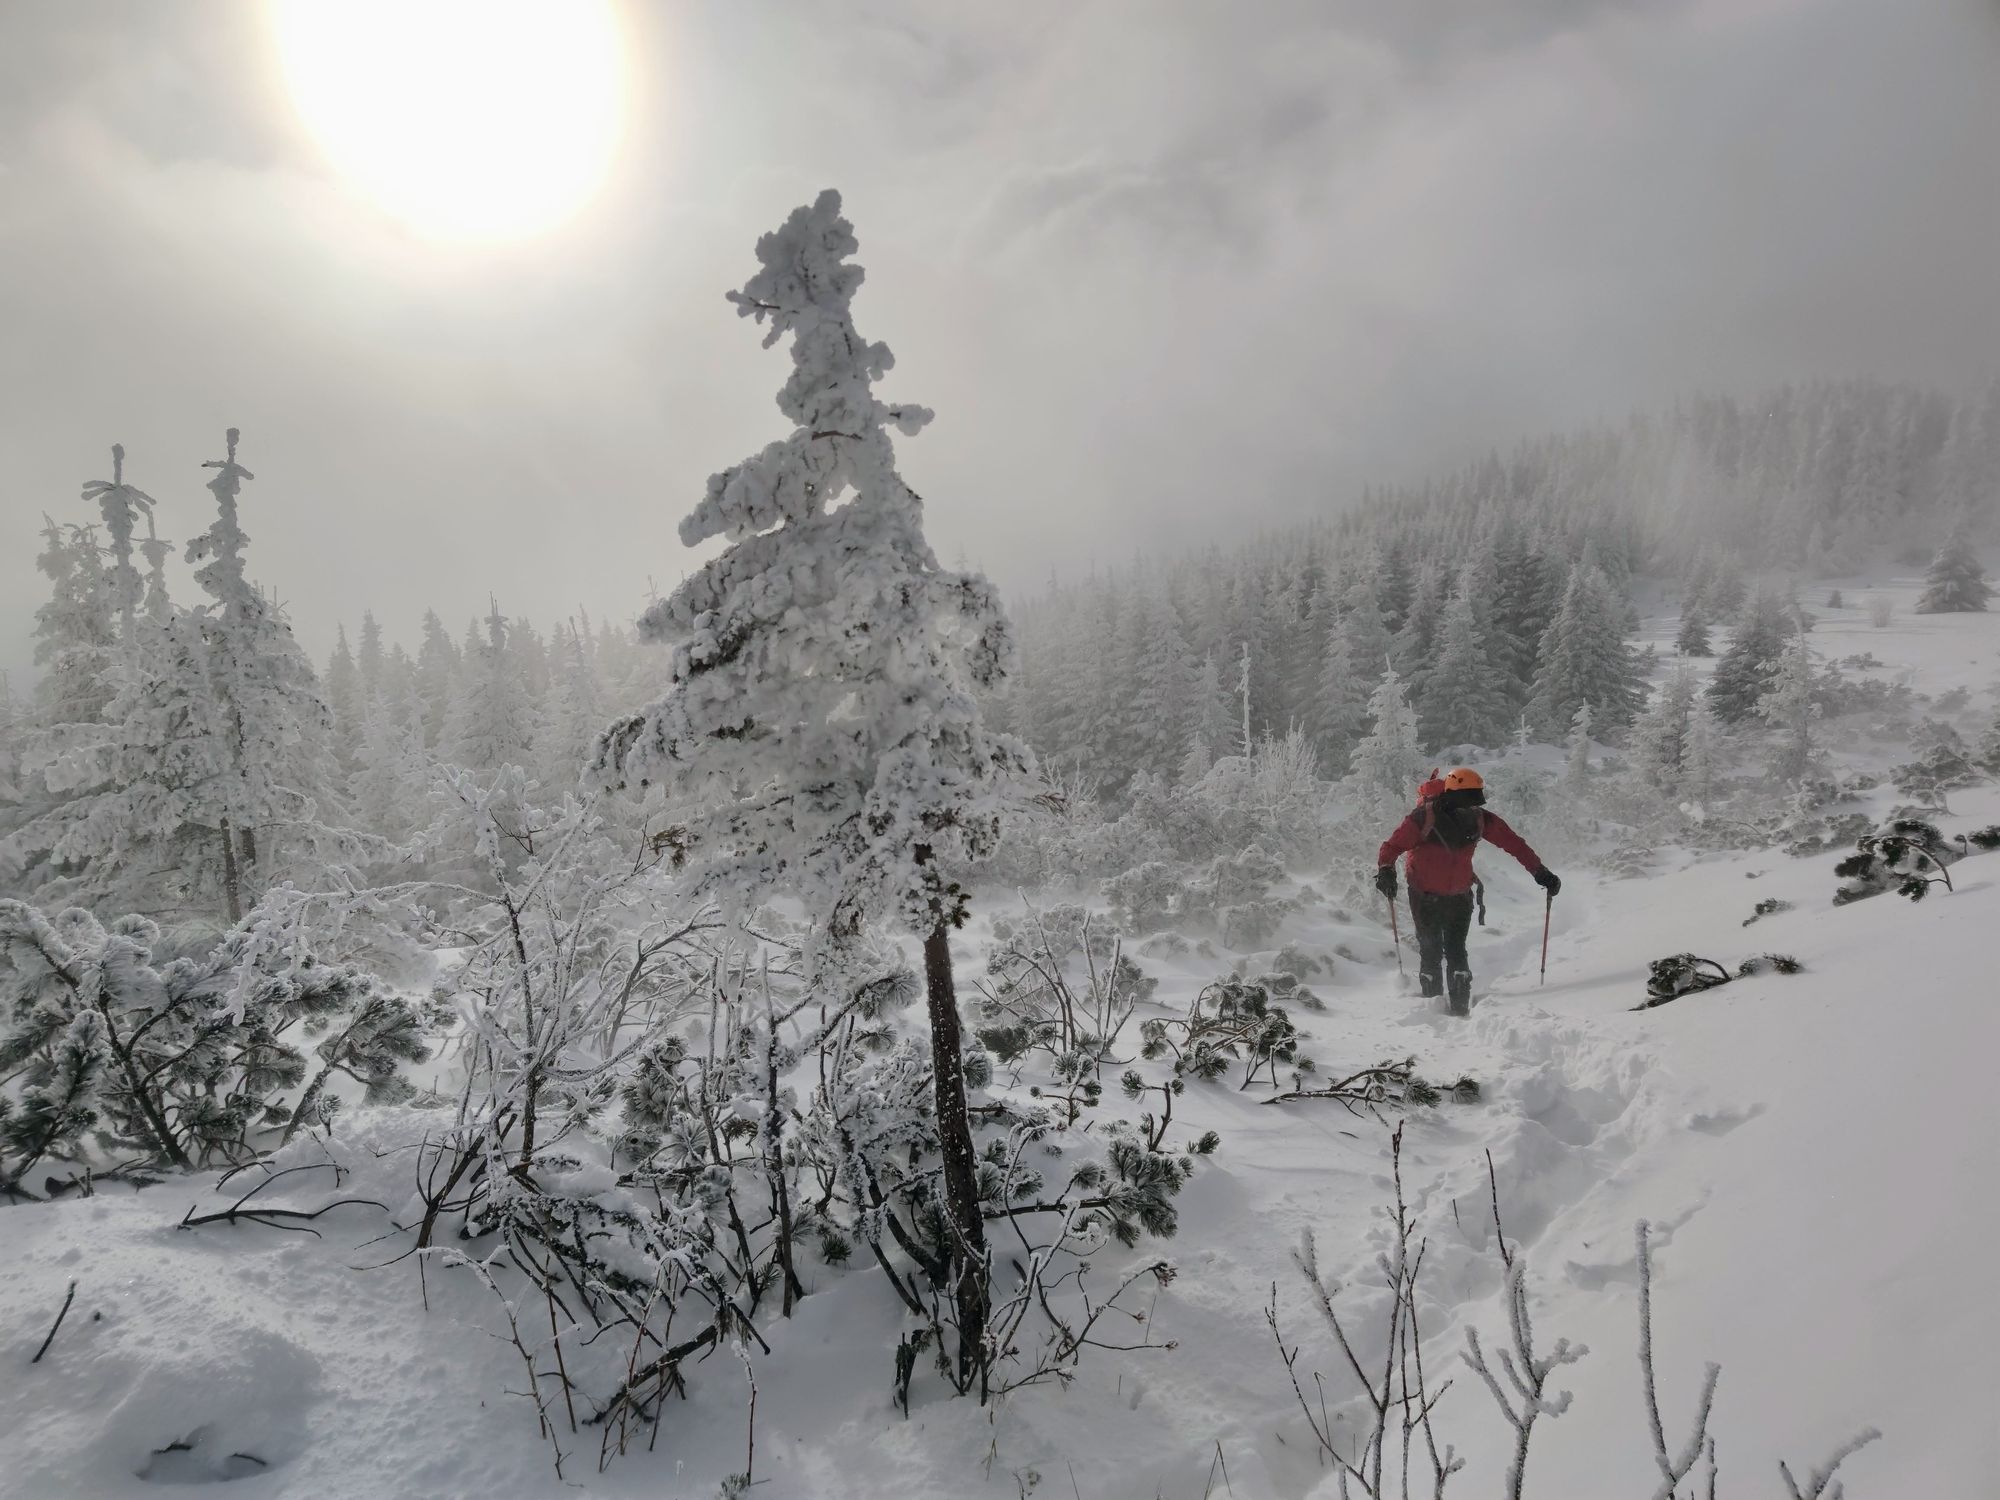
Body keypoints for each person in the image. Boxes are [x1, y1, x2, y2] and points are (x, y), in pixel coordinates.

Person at [1374, 767, 1559, 1016]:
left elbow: (1514, 844)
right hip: (1427, 895)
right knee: (1435, 950)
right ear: (1452, 795)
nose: (1470, 807)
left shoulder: (1481, 818)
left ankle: (1452, 1010)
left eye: (1474, 801)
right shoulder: (1424, 818)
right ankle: (1437, 1010)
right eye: (1467, 801)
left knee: (1450, 950)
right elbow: (1392, 846)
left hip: (1454, 896)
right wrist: (1386, 870)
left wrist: (1540, 872)